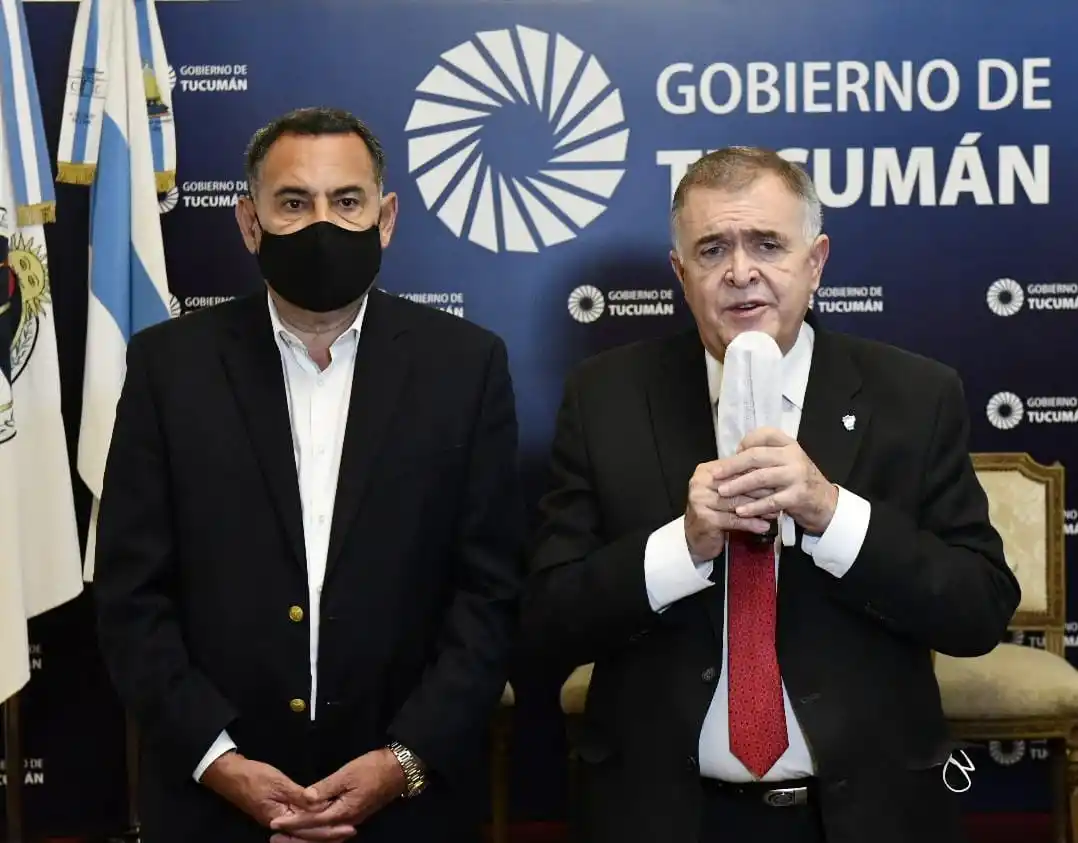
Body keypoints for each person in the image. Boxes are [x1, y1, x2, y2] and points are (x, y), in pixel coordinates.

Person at [521, 147, 1020, 843]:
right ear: (681, 274)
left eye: (767, 244)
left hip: (862, 816)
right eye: (712, 249)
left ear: (815, 262)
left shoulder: (915, 395)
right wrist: (681, 547)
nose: (740, 272)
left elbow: (978, 610)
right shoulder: (605, 397)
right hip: (662, 815)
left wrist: (831, 513)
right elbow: (546, 622)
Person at [94, 107, 525, 843]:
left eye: (347, 201)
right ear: (249, 222)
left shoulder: (465, 366)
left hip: (407, 811)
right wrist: (218, 761)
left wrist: (403, 761)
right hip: (213, 808)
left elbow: (490, 595)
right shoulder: (170, 368)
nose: (322, 225)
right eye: (294, 203)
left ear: (386, 218)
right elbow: (131, 596)